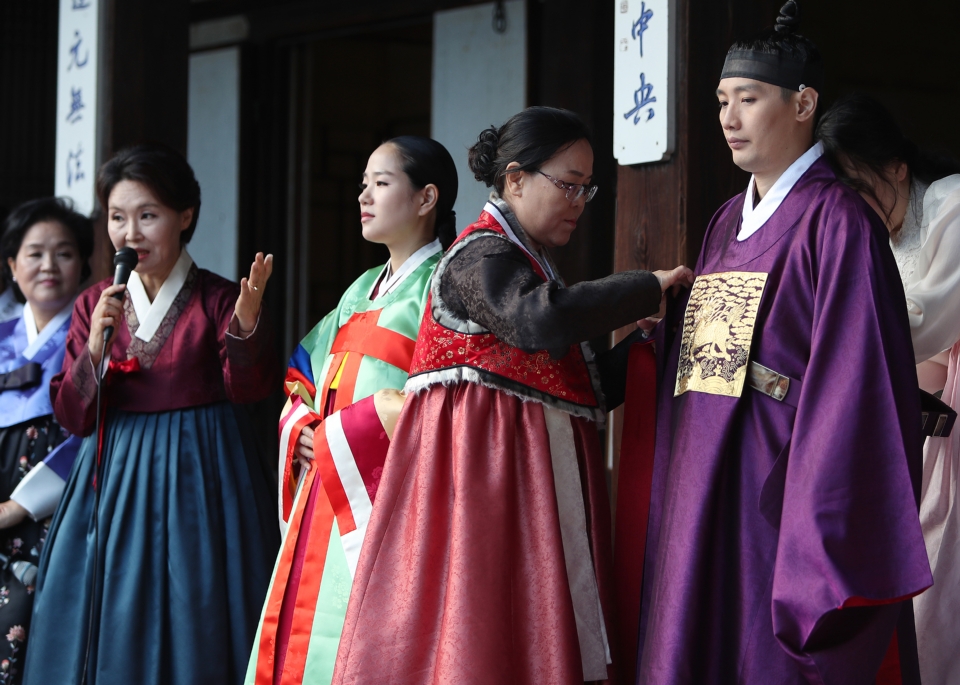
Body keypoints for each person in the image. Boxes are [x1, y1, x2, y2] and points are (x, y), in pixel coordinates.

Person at [626, 3, 932, 684]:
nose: (729, 118)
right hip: (702, 468)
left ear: (803, 103)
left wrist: (808, 513)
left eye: (749, 99)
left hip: (777, 483)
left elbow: (857, 386)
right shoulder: (725, 220)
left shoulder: (839, 222)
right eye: (721, 101)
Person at [332, 106, 692, 684]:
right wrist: (644, 287)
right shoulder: (478, 255)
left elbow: (588, 388)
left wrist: (651, 337)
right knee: (482, 640)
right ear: (516, 179)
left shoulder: (528, 264)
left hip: (519, 496)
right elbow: (536, 321)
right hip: (483, 496)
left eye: (586, 188)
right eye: (568, 185)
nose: (578, 200)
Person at [22, 144, 280, 685]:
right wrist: (93, 350)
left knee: (200, 604)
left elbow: (249, 390)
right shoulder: (96, 303)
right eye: (118, 218)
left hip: (204, 469)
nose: (130, 233)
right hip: (113, 468)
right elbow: (71, 416)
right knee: (105, 602)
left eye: (148, 215)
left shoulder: (218, 297)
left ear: (185, 216)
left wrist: (246, 325)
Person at [245, 135, 458, 685]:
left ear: (426, 197)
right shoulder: (361, 289)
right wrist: (307, 428)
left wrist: (344, 434)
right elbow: (302, 376)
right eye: (363, 184)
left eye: (381, 184)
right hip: (328, 484)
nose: (363, 196)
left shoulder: (443, 290)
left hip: (388, 498)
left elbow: (445, 405)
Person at [817, 94, 960, 685]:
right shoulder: (875, 233)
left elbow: (931, 323)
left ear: (898, 167)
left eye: (858, 182)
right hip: (929, 412)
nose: (854, 201)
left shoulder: (953, 203)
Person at [0, 198, 91, 684]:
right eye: (34, 254)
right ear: (12, 266)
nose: (48, 267)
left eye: (64, 253)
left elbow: (94, 432)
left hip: (55, 508)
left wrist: (21, 504)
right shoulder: (1, 336)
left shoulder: (96, 340)